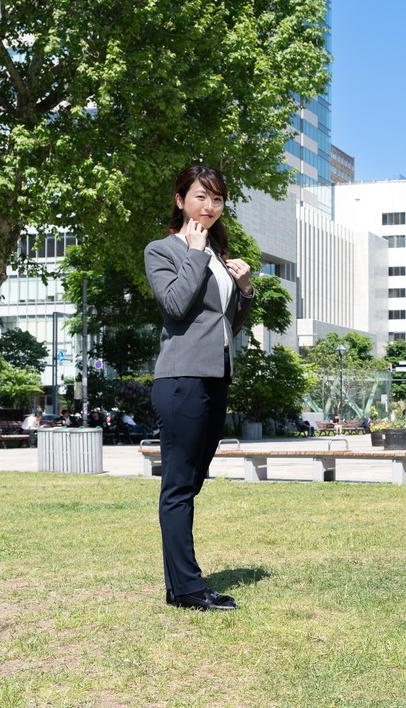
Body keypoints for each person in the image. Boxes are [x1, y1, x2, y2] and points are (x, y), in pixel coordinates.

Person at [145, 164, 253, 613]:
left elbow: (228, 325)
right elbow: (175, 306)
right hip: (181, 377)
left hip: (216, 376)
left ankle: (181, 585)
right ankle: (188, 589)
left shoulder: (219, 253)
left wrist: (244, 288)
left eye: (217, 200)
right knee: (178, 485)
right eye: (200, 197)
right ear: (179, 199)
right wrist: (193, 251)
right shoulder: (163, 250)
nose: (209, 207)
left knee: (191, 483)